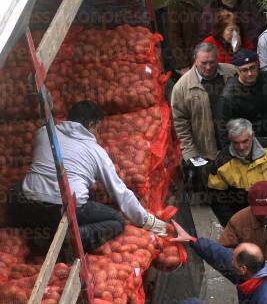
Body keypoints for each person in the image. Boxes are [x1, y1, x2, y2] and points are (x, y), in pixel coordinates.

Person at [10, 101, 167, 252]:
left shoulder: (44, 132)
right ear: (91, 124)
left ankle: (28, 229)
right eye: (98, 129)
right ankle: (72, 237)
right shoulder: (96, 151)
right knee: (116, 221)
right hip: (62, 212)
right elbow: (120, 192)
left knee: (18, 187)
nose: (98, 135)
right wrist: (147, 221)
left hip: (28, 207)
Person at [172, 42, 237, 193]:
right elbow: (181, 124)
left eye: (212, 62)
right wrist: (190, 153)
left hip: (235, 145)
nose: (208, 67)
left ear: (218, 59)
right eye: (203, 63)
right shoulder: (182, 88)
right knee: (217, 192)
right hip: (207, 152)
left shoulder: (231, 73)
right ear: (195, 60)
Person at [208, 118, 267, 226]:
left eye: (245, 141)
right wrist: (231, 223)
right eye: (236, 143)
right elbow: (216, 198)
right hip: (242, 220)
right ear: (230, 139)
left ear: (253, 135)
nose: (241, 147)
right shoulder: (221, 162)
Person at [215, 49, 267, 147]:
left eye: (253, 68)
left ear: (258, 65)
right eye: (244, 70)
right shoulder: (228, 96)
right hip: (249, 146)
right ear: (237, 70)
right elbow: (223, 130)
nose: (250, 73)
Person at [199, 0, 267, 47]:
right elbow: (205, 37)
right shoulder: (210, 11)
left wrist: (244, 44)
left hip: (250, 53)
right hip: (220, 56)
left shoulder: (251, 5)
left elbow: (259, 29)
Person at [167, 0, 206, 74]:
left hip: (212, 54)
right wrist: (183, 65)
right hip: (192, 59)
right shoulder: (176, 3)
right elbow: (174, 36)